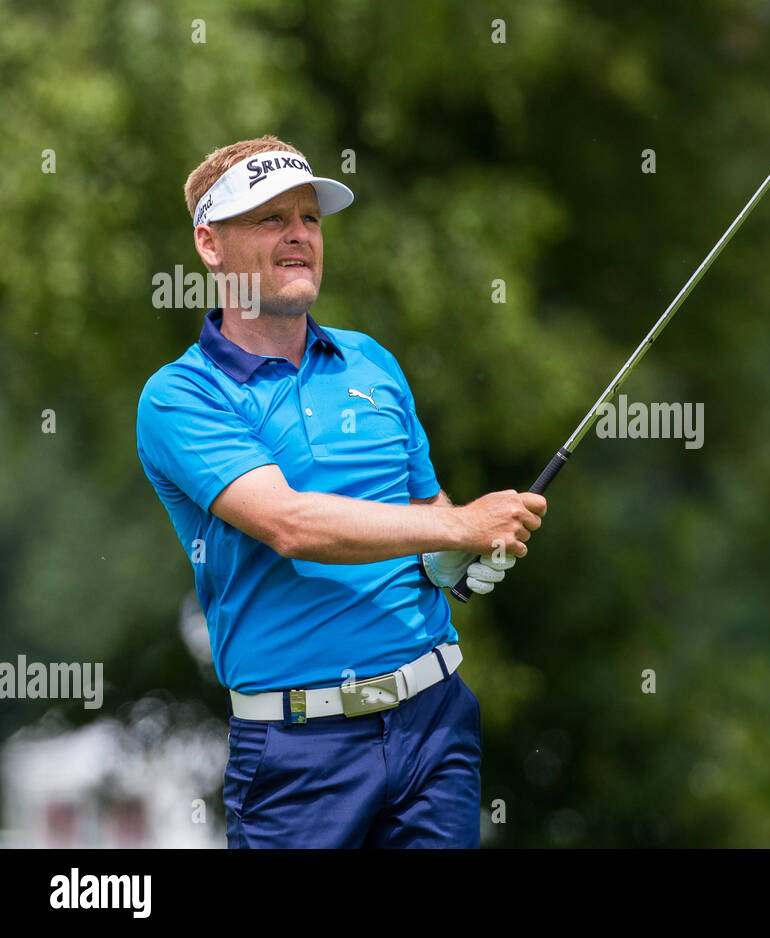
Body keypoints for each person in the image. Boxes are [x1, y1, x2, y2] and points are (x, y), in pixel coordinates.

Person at [136, 135, 546, 847]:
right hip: (299, 758)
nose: (299, 235)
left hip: (434, 725)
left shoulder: (372, 362)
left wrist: (460, 558)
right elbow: (291, 524)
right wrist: (461, 530)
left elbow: (427, 516)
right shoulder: (180, 396)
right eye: (270, 219)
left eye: (310, 219)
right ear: (210, 245)